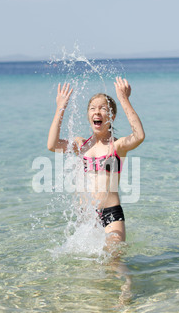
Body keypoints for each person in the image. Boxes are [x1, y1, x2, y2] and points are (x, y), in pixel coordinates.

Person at [47, 77, 145, 245]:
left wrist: (124, 99)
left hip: (111, 213)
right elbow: (52, 145)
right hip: (86, 216)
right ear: (88, 116)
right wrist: (60, 107)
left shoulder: (117, 146)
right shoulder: (81, 145)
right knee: (87, 267)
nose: (97, 112)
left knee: (113, 258)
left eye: (102, 108)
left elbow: (139, 136)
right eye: (92, 108)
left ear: (111, 116)